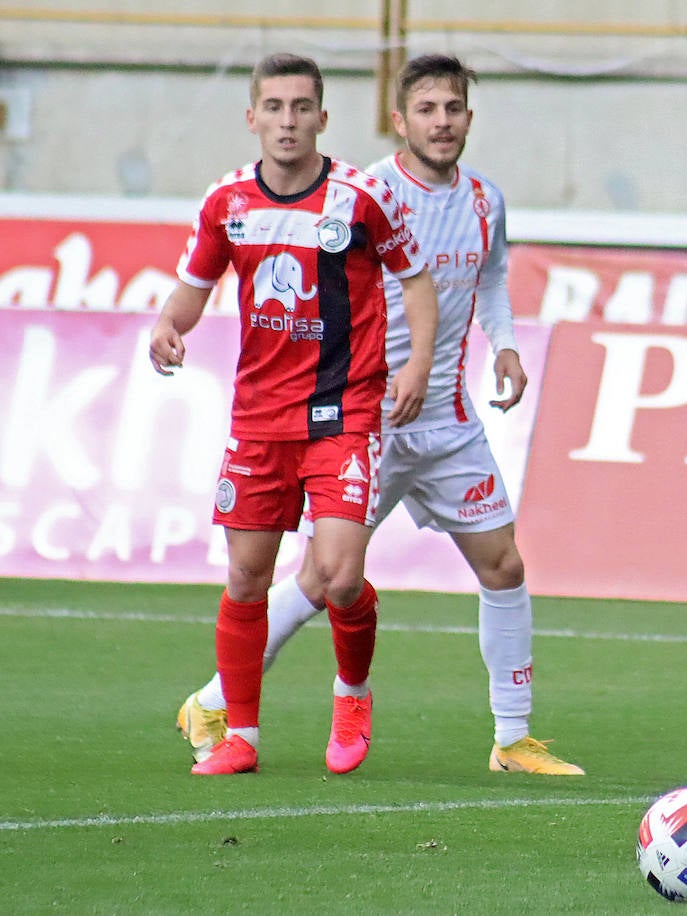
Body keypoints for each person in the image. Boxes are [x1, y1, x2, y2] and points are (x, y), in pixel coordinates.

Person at [175, 54, 584, 776]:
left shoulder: (486, 201)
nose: (442, 122)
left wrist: (508, 348)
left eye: (453, 109)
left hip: (448, 419)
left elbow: (490, 281)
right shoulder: (364, 192)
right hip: (366, 412)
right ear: (400, 120)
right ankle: (216, 701)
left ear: (468, 118)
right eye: (427, 110)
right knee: (324, 579)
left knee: (504, 563)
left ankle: (513, 738)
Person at [150, 53, 439, 776]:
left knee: (339, 577)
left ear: (322, 118)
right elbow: (194, 284)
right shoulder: (227, 203)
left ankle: (353, 693)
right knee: (247, 580)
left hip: (344, 413)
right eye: (273, 107)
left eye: (300, 107)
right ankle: (240, 737)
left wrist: (417, 363)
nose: (287, 121)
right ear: (253, 117)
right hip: (259, 420)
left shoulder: (359, 196)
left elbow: (416, 279)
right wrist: (167, 326)